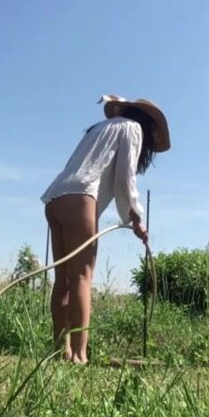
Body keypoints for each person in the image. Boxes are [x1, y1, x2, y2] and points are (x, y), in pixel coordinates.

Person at [41, 94, 171, 364]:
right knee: (81, 277)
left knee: (63, 279)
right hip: (80, 199)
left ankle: (60, 352)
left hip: (55, 199)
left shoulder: (98, 129)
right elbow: (125, 178)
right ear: (148, 125)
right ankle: (79, 355)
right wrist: (135, 218)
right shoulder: (132, 128)